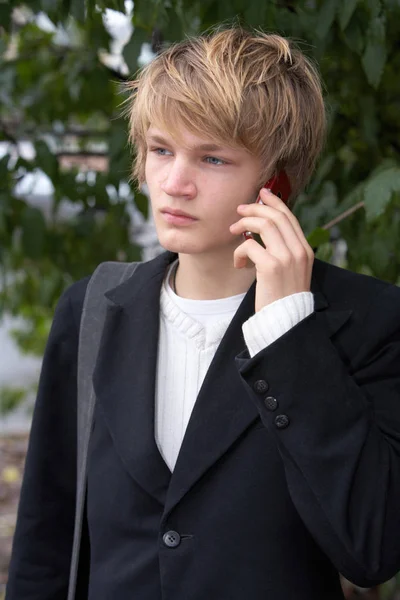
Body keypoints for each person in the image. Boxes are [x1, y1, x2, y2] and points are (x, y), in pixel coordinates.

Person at [6, 26, 400, 600]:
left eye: (212, 158)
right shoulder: (91, 308)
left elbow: (373, 551)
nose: (174, 183)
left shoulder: (367, 320)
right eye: (162, 149)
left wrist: (289, 331)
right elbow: (46, 538)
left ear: (277, 181)